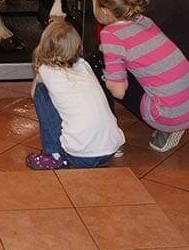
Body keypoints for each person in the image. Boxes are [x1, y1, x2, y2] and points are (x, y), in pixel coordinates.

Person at [95, 0, 189, 153]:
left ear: (105, 11)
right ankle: (171, 123)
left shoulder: (111, 35)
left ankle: (111, 136)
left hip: (167, 114)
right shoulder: (143, 20)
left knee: (97, 65)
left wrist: (106, 73)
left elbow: (118, 91)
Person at [25, 18, 125, 171]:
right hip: (109, 151)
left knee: (41, 92)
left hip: (80, 156)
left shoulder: (46, 70)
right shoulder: (84, 65)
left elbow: (33, 94)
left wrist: (39, 76)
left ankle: (54, 155)